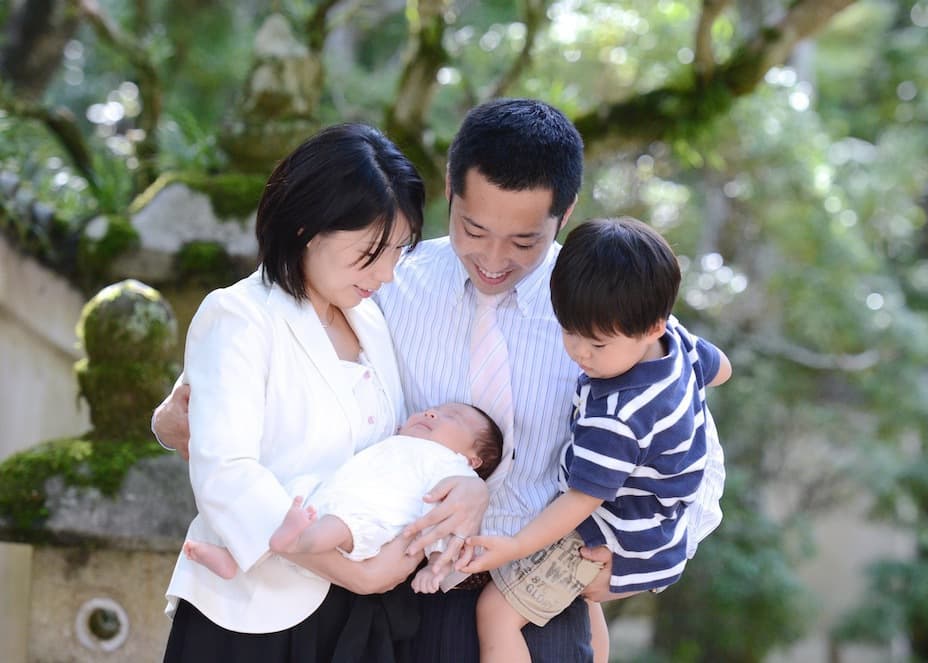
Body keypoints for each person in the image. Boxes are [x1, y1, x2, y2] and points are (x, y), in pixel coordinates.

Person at [154, 98, 727, 662]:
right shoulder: (387, 284)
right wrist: (172, 422)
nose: (494, 259)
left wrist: (636, 569)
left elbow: (691, 458)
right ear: (450, 190)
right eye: (473, 228)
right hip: (393, 604)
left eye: (524, 241)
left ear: (566, 213)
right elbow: (239, 388)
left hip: (527, 606)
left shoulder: (604, 311)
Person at [160, 122, 443, 663]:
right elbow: (228, 475)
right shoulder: (240, 316)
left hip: (357, 622)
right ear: (309, 227)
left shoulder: (371, 321)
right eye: (370, 251)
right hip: (252, 617)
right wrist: (358, 574)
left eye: (398, 250)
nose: (386, 273)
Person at [457, 217, 733, 662]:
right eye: (570, 332)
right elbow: (722, 370)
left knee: (497, 612)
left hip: (610, 528)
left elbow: (581, 501)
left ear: (652, 327)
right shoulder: (679, 344)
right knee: (580, 606)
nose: (580, 354)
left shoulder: (617, 413)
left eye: (598, 344)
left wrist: (515, 546)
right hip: (654, 523)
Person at [182, 402, 502, 588]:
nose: (433, 414)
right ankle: (235, 555)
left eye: (453, 417)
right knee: (289, 494)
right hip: (331, 492)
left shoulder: (453, 468)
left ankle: (292, 543)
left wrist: (435, 569)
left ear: (472, 459)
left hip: (372, 517)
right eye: (434, 409)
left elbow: (442, 524)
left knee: (336, 523)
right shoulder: (396, 439)